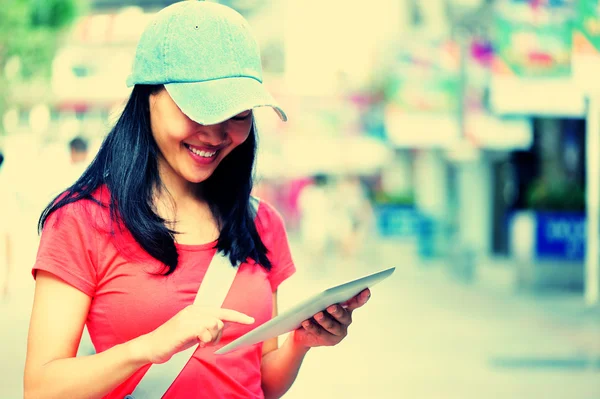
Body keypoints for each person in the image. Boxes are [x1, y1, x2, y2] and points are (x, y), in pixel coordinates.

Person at [24, 2, 371, 399]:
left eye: (237, 115)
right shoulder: (82, 220)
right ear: (147, 96)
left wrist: (301, 343)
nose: (215, 134)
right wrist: (149, 348)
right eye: (198, 110)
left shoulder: (261, 223)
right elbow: (40, 389)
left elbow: (259, 382)